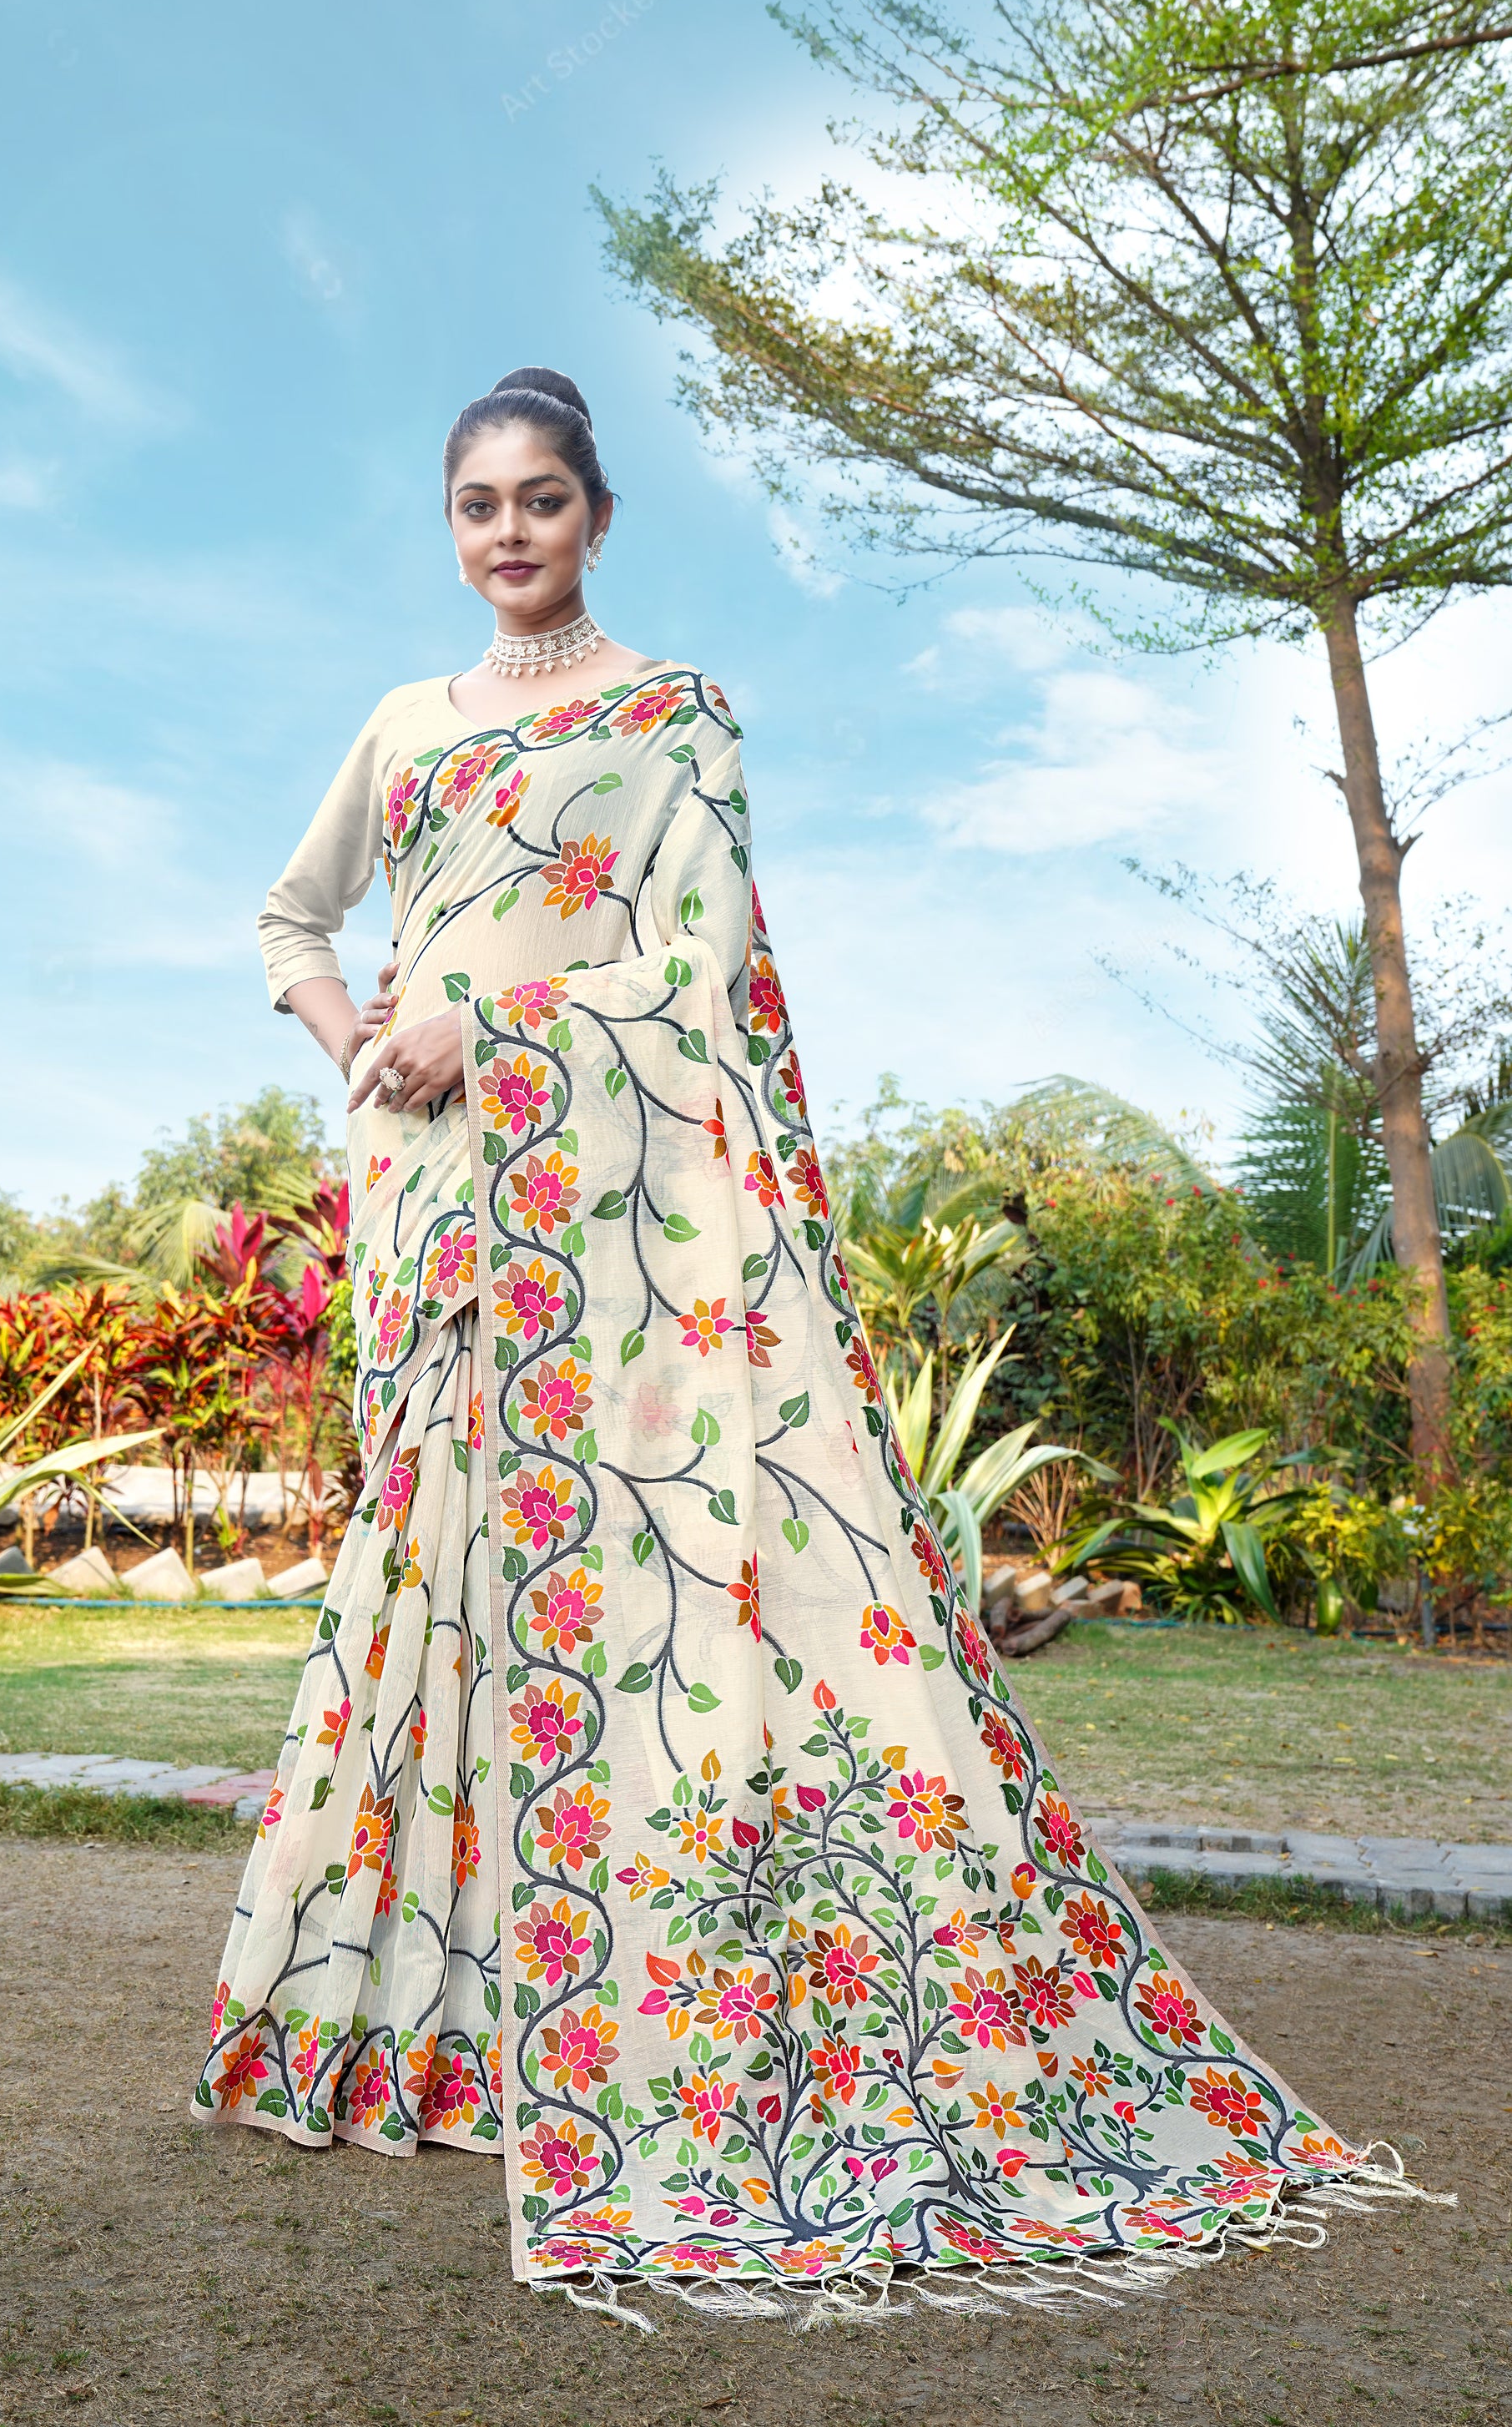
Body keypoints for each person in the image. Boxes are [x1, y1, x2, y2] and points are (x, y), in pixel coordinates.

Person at [194, 366, 1393, 2319]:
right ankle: (428, 2027)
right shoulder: (403, 722)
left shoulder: (675, 712)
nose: (509, 532)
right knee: (440, 1589)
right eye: (479, 504)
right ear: (449, 525)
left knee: (636, 1589)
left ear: (598, 515)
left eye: (543, 499)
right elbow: (289, 915)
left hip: (611, 1217)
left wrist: (492, 1025)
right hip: (435, 1212)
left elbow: (705, 960)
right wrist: (368, 1050)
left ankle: (644, 2004)